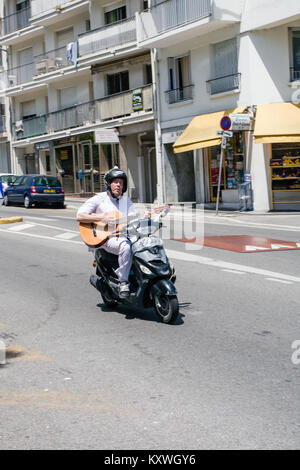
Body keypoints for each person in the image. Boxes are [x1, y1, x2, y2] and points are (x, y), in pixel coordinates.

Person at [76, 166, 149, 298]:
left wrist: (144, 218)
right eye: (115, 182)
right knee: (125, 246)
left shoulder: (126, 201)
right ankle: (123, 282)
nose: (118, 185)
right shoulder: (99, 198)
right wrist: (101, 217)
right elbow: (80, 216)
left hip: (123, 235)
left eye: (121, 183)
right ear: (109, 184)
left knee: (147, 243)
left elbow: (133, 221)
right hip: (106, 237)